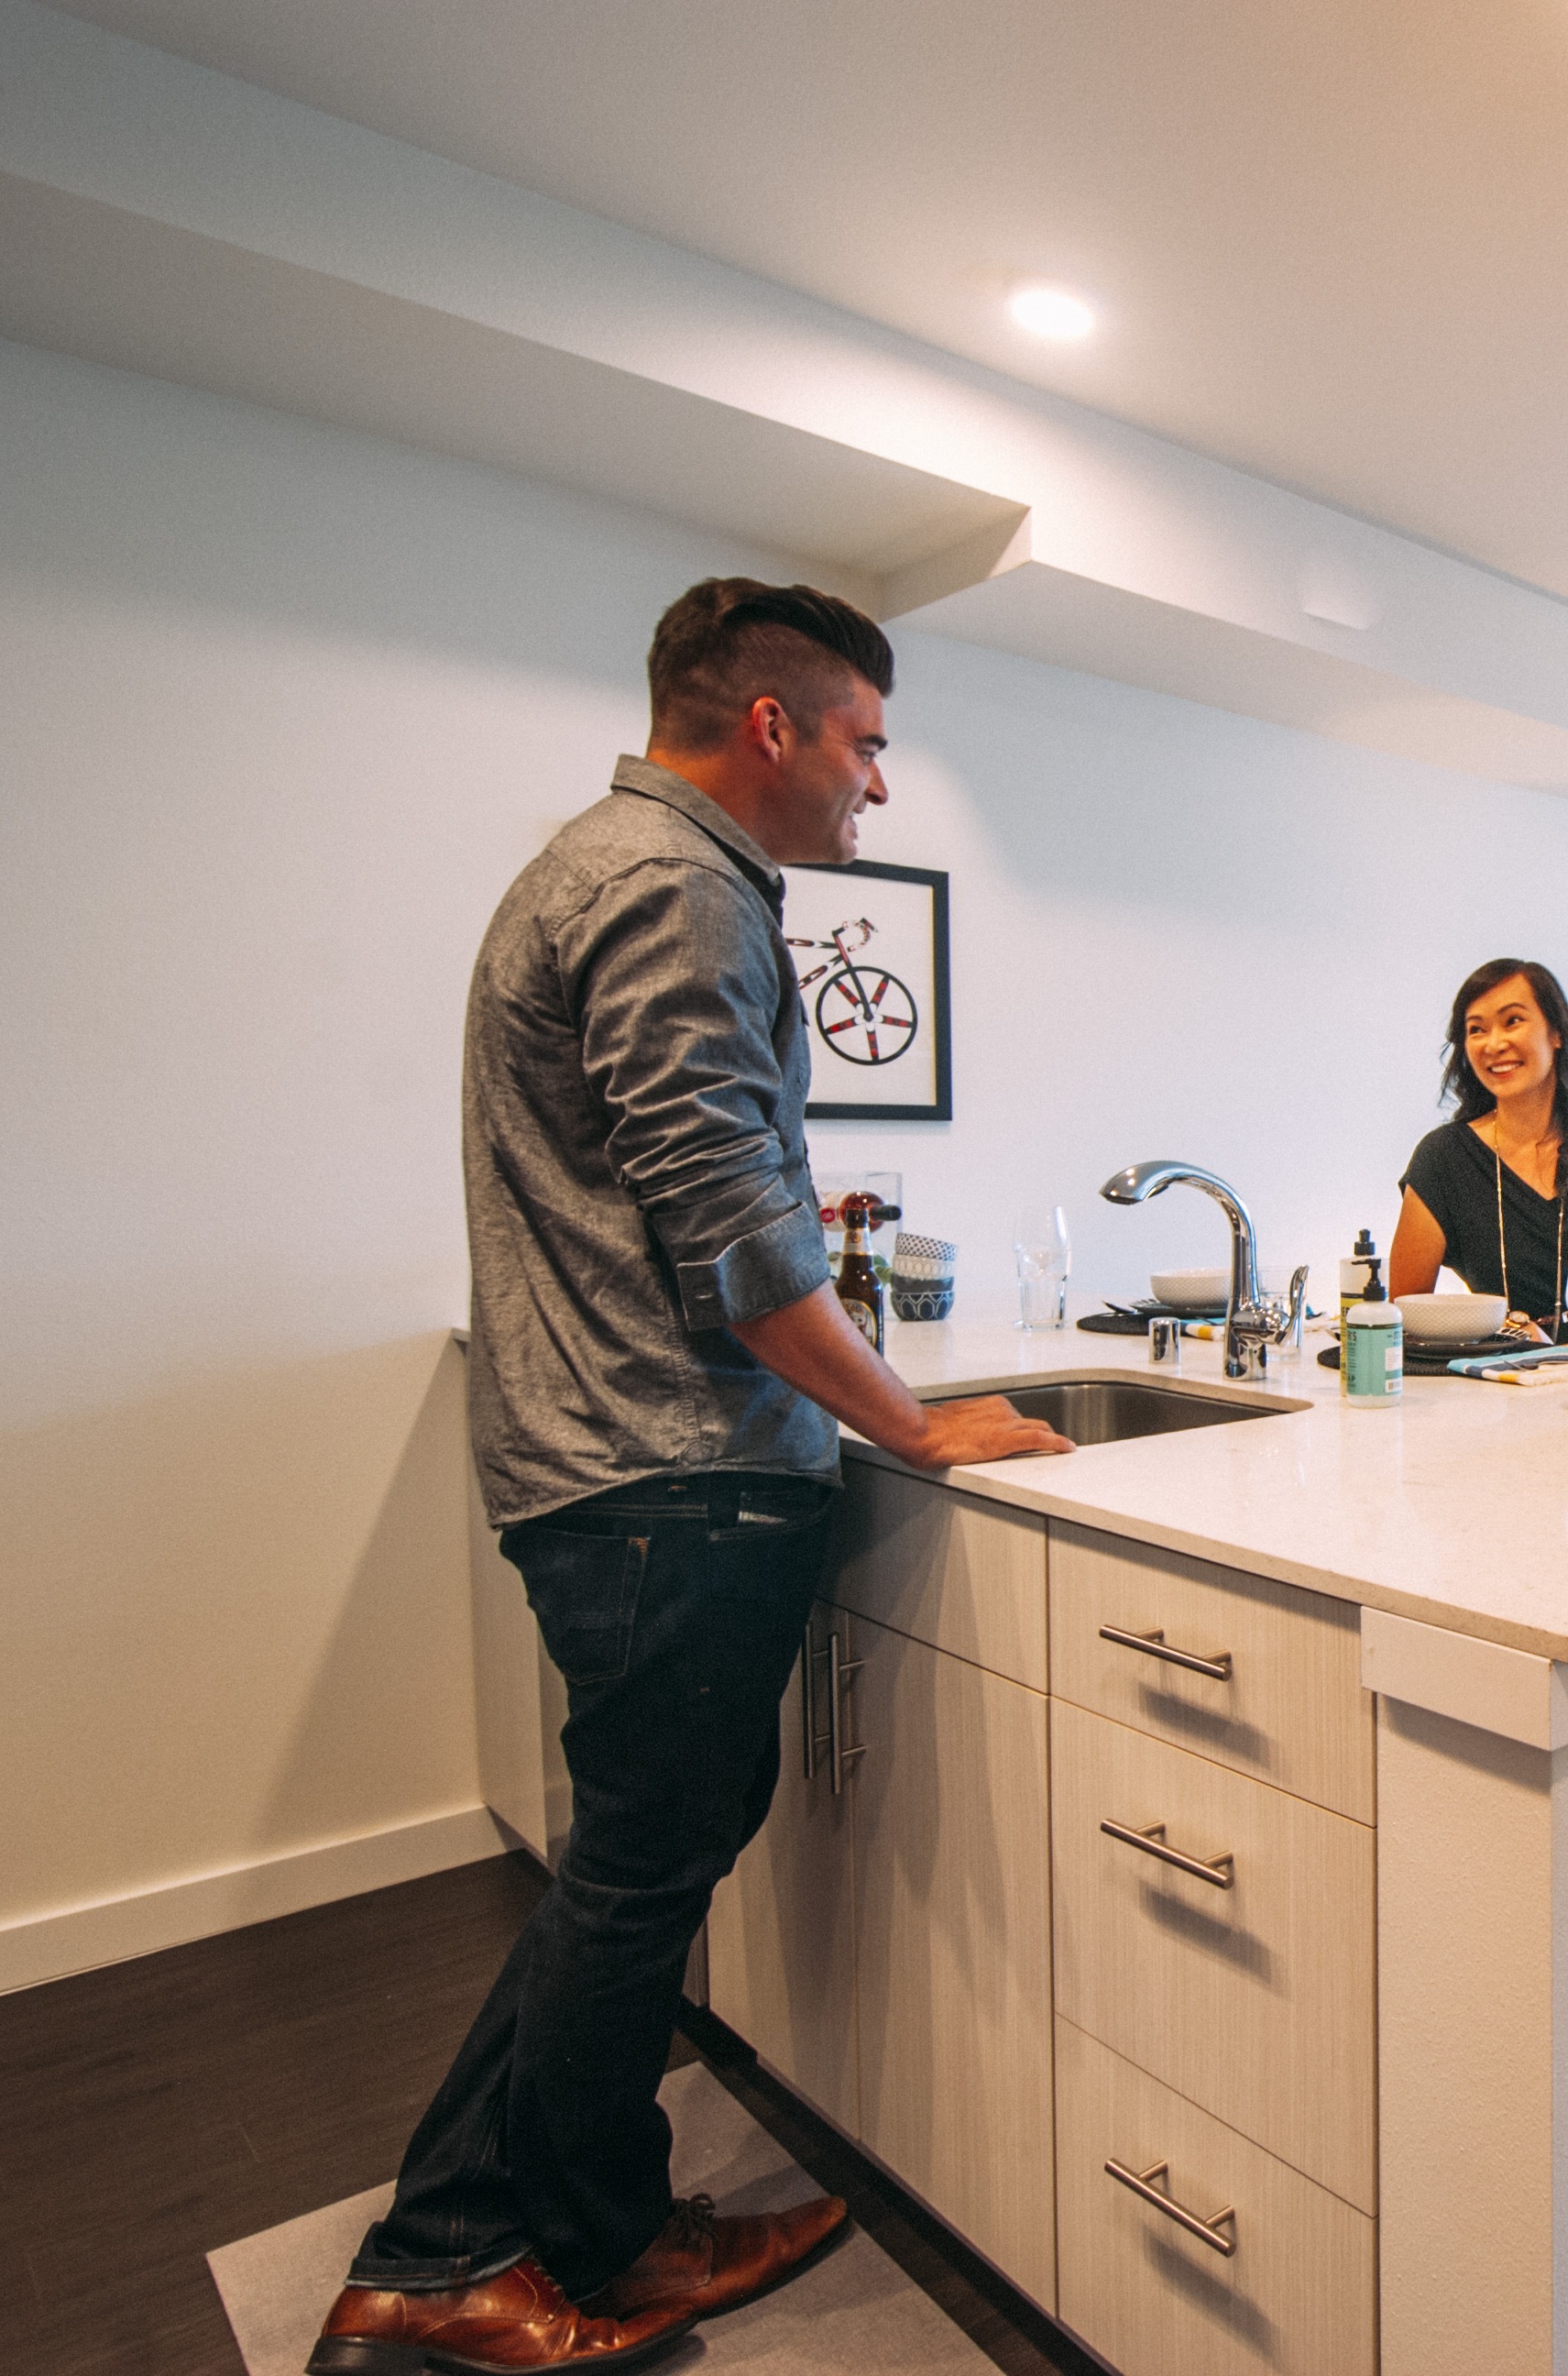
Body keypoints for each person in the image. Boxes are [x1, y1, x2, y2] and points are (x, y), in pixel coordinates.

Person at [310, 580, 1070, 2376]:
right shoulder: (674, 886)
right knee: (637, 1877)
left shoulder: (607, 867)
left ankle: (496, 2239)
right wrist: (910, 1421)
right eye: (871, 743)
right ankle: (516, 2258)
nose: (880, 787)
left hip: (618, 1465)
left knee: (626, 1870)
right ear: (774, 728)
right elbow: (727, 1221)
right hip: (670, 1473)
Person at [1389, 958, 1568, 1368]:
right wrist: (1505, 1328)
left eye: (1512, 1021)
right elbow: (1401, 1314)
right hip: (1508, 1382)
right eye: (1476, 1030)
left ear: (1557, 1033)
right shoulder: (1442, 1158)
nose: (1493, 1044)